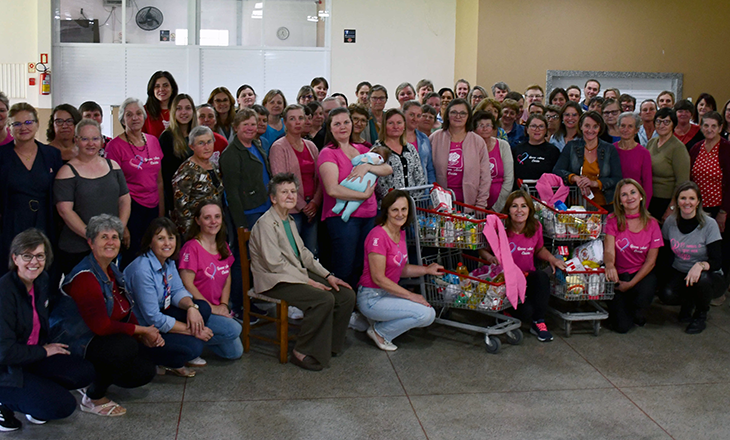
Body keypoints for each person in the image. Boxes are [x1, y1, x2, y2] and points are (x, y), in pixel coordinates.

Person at [51, 215, 161, 416]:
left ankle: (93, 378)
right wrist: (142, 330)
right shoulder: (85, 277)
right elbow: (101, 326)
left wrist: (142, 336)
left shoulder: (112, 270)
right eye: (104, 237)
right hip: (75, 343)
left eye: (115, 237)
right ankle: (93, 397)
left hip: (100, 340)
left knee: (144, 368)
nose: (111, 242)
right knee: (124, 347)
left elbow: (125, 310)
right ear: (91, 243)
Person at [250, 173, 356, 371]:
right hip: (274, 280)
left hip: (292, 273)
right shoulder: (266, 224)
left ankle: (327, 346)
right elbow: (275, 265)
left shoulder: (288, 220)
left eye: (292, 191)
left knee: (346, 295)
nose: (290, 196)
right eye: (284, 192)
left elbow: (304, 255)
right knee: (323, 299)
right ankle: (301, 351)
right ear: (273, 198)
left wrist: (328, 275)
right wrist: (309, 282)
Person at [0, 229, 95, 429]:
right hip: (7, 368)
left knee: (83, 371)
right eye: (27, 256)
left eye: (40, 256)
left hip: (30, 356)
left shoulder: (41, 281)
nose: (34, 262)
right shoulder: (4, 293)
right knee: (61, 406)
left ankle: (33, 394)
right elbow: (4, 352)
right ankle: (5, 402)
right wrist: (44, 351)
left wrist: (45, 348)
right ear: (15, 258)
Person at [124, 218, 221, 371]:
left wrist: (191, 307)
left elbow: (177, 290)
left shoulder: (167, 261)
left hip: (163, 310)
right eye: (161, 239)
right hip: (144, 327)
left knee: (202, 307)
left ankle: (179, 341)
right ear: (150, 242)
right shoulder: (142, 270)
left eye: (171, 238)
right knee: (194, 348)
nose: (167, 243)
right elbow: (153, 318)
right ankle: (156, 358)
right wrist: (194, 331)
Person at [318, 108, 392, 287]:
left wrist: (368, 168)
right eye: (337, 124)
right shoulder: (328, 152)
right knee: (344, 266)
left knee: (362, 264)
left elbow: (387, 168)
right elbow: (332, 189)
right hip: (343, 218)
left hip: (368, 215)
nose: (342, 127)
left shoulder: (362, 148)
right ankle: (342, 308)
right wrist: (364, 195)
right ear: (330, 127)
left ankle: (356, 305)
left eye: (346, 122)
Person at [358, 190, 440, 351]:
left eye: (404, 209)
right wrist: (411, 295)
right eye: (395, 210)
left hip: (388, 294)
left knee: (426, 310)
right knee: (426, 314)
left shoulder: (400, 232)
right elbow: (378, 278)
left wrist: (427, 270)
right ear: (386, 211)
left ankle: (376, 322)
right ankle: (380, 332)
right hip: (371, 297)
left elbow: (400, 269)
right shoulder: (378, 236)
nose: (400, 214)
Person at [479, 190, 566, 341]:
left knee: (541, 278)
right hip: (506, 281)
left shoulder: (535, 227)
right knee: (526, 312)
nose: (519, 210)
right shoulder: (501, 229)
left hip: (527, 278)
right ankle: (505, 313)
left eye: (523, 206)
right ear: (508, 210)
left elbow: (539, 249)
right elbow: (482, 250)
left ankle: (539, 322)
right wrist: (490, 257)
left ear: (530, 210)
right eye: (514, 206)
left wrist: (553, 259)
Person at [55, 119, 131, 276]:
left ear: (102, 140)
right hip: (77, 248)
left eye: (95, 138)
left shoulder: (113, 167)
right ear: (76, 140)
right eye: (85, 139)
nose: (91, 143)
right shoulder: (66, 172)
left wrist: (118, 231)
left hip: (109, 246)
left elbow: (124, 200)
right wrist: (93, 238)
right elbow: (65, 211)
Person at [0, 103, 63, 276]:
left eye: (28, 122)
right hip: (12, 223)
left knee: (45, 271)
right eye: (17, 124)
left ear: (37, 124)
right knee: (14, 272)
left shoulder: (52, 155)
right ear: (9, 128)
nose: (23, 127)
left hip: (45, 222)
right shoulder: (1, 156)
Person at [179, 202, 243, 360]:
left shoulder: (223, 245)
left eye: (217, 217)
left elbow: (227, 276)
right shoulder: (191, 247)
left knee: (234, 353)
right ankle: (188, 341)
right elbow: (187, 283)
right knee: (234, 329)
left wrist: (224, 305)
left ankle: (197, 338)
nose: (213, 222)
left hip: (217, 307)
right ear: (198, 221)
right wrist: (212, 308)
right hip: (197, 308)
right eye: (207, 218)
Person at [659, 182, 725, 334]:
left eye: (691, 198)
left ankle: (700, 314)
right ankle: (688, 303)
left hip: (708, 275)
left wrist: (700, 265)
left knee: (702, 280)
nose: (687, 202)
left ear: (698, 202)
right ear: (677, 201)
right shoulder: (670, 222)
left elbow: (717, 261)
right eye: (683, 198)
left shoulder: (709, 224)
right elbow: (666, 254)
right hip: (680, 270)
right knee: (666, 294)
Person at [105, 98, 164, 268]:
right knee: (132, 257)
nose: (135, 118)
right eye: (129, 115)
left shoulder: (153, 141)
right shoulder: (114, 147)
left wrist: (160, 214)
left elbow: (159, 181)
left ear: (144, 117)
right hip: (131, 208)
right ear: (122, 119)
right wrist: (122, 225)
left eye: (138, 113)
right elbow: (112, 189)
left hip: (153, 207)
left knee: (153, 255)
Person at [603, 179, 662, 333]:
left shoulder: (652, 223)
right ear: (620, 201)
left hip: (640, 274)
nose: (630, 197)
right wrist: (609, 265)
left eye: (633, 192)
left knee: (642, 297)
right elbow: (609, 251)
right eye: (624, 195)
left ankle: (637, 309)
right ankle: (620, 310)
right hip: (619, 273)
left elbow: (651, 262)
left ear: (641, 196)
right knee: (622, 327)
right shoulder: (612, 220)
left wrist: (631, 284)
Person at [269, 104, 322, 255]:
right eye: (292, 119)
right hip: (291, 210)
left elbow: (320, 178)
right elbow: (281, 181)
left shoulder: (311, 146)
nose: (298, 122)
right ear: (285, 123)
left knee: (311, 253)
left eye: (301, 118)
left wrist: (315, 203)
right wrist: (303, 206)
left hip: (312, 209)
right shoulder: (278, 147)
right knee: (292, 253)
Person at [689, 111, 730, 298]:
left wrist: (723, 211)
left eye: (714, 126)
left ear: (721, 128)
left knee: (719, 250)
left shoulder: (727, 149)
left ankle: (718, 289)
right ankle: (698, 285)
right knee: (700, 248)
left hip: (719, 208)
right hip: (697, 208)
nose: (709, 129)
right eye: (706, 125)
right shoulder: (696, 148)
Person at [553, 111, 622, 207]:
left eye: (595, 127)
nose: (591, 130)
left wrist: (595, 183)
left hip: (605, 205)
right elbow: (557, 170)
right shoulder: (571, 146)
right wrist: (574, 178)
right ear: (581, 126)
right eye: (587, 126)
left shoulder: (609, 149)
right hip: (576, 205)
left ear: (600, 128)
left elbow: (617, 178)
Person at [430, 99, 490, 207]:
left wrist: (481, 203)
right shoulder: (435, 138)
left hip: (469, 204)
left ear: (468, 117)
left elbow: (485, 177)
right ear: (447, 115)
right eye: (454, 112)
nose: (458, 116)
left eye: (463, 113)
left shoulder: (478, 142)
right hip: (441, 204)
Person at [221, 108, 271, 230]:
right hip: (249, 212)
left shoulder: (257, 145)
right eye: (245, 124)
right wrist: (241, 223)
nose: (250, 128)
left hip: (266, 206)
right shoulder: (230, 154)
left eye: (253, 124)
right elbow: (232, 193)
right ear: (236, 127)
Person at [171, 126, 224, 236]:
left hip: (214, 226)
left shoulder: (214, 166)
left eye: (209, 142)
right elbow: (181, 207)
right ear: (192, 146)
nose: (206, 147)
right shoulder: (186, 171)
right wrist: (191, 233)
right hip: (195, 230)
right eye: (201, 143)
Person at [646, 108, 691, 221]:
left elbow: (682, 182)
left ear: (673, 125)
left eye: (666, 122)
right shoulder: (652, 143)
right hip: (649, 198)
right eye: (658, 121)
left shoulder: (678, 148)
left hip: (666, 201)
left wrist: (672, 207)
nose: (662, 125)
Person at [373, 109, 427, 198]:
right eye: (391, 123)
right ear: (384, 126)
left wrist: (411, 201)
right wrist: (395, 201)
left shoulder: (410, 148)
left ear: (404, 125)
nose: (395, 126)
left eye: (399, 123)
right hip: (389, 205)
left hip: (413, 203)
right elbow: (379, 183)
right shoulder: (377, 149)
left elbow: (420, 177)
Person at [159, 94, 196, 216]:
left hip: (197, 196)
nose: (184, 112)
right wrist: (171, 204)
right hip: (177, 200)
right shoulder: (167, 138)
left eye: (188, 108)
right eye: (179, 108)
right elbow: (165, 175)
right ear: (173, 112)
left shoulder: (198, 135)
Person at [473, 111, 513, 212]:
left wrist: (496, 207)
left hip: (500, 204)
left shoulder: (503, 146)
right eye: (481, 125)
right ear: (474, 129)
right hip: (474, 205)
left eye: (488, 125)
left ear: (493, 128)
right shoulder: (470, 147)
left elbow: (509, 179)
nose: (485, 128)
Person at [613, 112, 653, 205]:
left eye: (630, 126)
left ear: (636, 130)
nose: (625, 130)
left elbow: (647, 186)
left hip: (635, 204)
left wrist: (643, 209)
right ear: (618, 128)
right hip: (613, 203)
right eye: (622, 126)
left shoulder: (644, 153)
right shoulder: (611, 150)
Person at [512, 114, 561, 184]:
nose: (537, 129)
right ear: (527, 129)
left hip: (546, 192)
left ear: (546, 130)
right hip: (521, 191)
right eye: (533, 126)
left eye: (541, 126)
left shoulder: (553, 151)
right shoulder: (517, 149)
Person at [403, 101, 436, 184]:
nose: (415, 119)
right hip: (402, 191)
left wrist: (432, 187)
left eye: (418, 116)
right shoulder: (394, 137)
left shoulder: (424, 138)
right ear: (403, 114)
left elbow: (429, 167)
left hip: (423, 191)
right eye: (411, 115)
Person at [142, 71, 178, 138]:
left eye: (165, 85)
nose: (161, 89)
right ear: (152, 90)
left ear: (172, 88)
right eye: (157, 86)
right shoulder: (144, 111)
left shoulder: (179, 109)